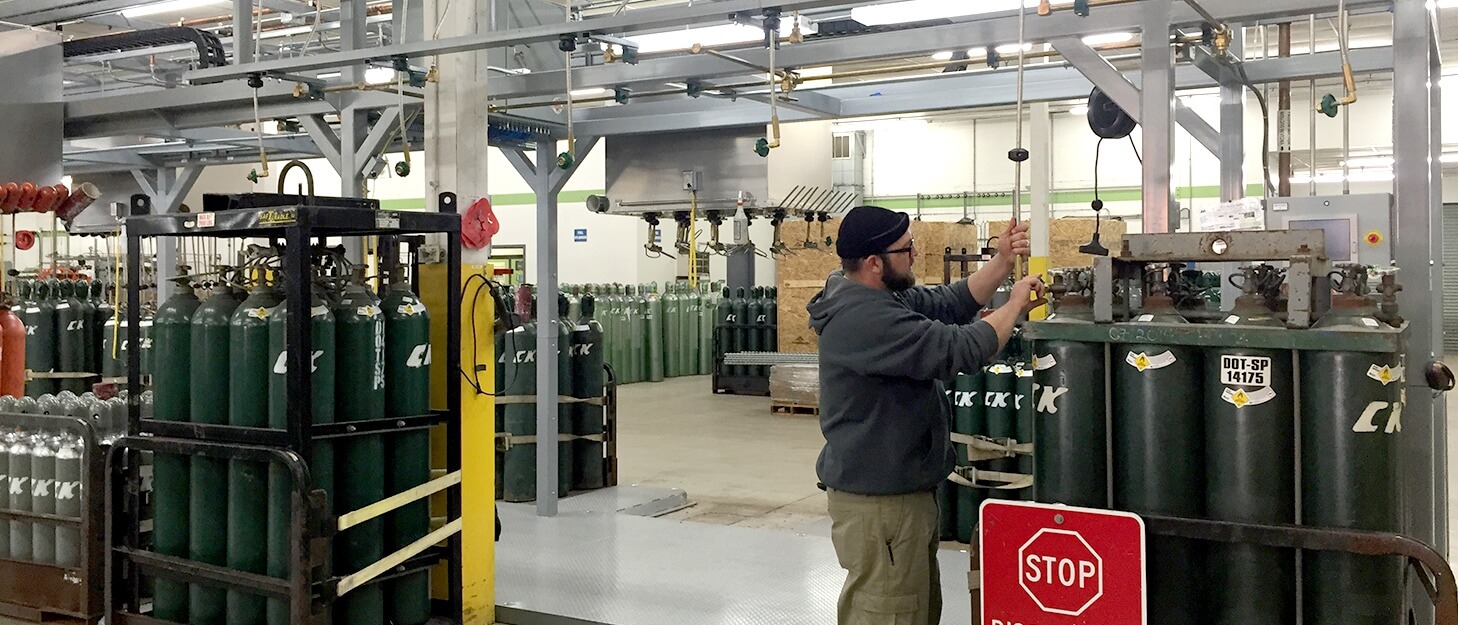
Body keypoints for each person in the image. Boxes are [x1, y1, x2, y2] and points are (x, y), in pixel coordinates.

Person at [806, 205, 1046, 625]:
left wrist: (1003, 261)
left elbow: (950, 302)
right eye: (906, 249)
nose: (915, 254)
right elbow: (960, 349)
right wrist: (1016, 306)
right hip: (882, 507)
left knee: (913, 610)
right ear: (874, 263)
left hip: (900, 499)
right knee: (888, 614)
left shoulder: (877, 295)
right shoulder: (864, 317)